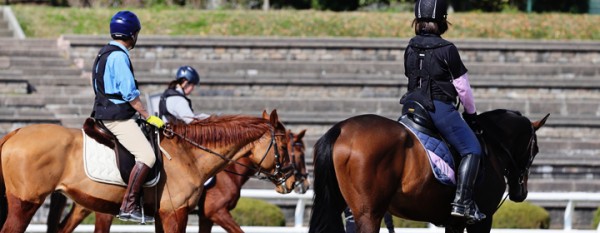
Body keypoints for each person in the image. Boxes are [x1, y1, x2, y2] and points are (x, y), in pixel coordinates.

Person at [399, 0, 485, 223]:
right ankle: (462, 203)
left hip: (410, 108)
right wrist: (472, 115)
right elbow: (462, 88)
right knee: (472, 149)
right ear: (443, 21)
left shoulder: (409, 46)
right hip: (438, 108)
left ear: (417, 21)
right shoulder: (447, 49)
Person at [90, 10, 163, 223]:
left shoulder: (103, 52)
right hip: (117, 117)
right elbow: (130, 94)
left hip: (103, 110)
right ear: (132, 34)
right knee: (147, 156)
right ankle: (128, 205)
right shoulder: (119, 56)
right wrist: (148, 116)